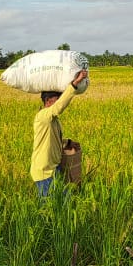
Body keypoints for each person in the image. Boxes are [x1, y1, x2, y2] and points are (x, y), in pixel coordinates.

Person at [31, 68, 88, 197]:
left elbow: (52, 139)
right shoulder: (42, 116)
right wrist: (75, 83)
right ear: (48, 101)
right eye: (57, 99)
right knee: (49, 208)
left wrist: (68, 143)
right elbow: (59, 107)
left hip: (54, 169)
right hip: (44, 172)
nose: (59, 102)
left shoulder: (53, 120)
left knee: (64, 202)